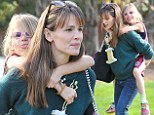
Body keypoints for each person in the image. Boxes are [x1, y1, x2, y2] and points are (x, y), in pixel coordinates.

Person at [0, 1, 96, 115]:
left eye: (80, 29)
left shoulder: (87, 76)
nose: (78, 36)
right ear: (48, 34)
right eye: (69, 29)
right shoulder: (18, 77)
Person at [99, 3, 153, 115]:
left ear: (116, 17)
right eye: (102, 19)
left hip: (131, 80)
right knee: (119, 111)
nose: (104, 22)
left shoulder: (128, 34)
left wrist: (143, 65)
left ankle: (144, 103)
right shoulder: (108, 36)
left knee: (121, 111)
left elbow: (148, 51)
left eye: (107, 18)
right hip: (118, 80)